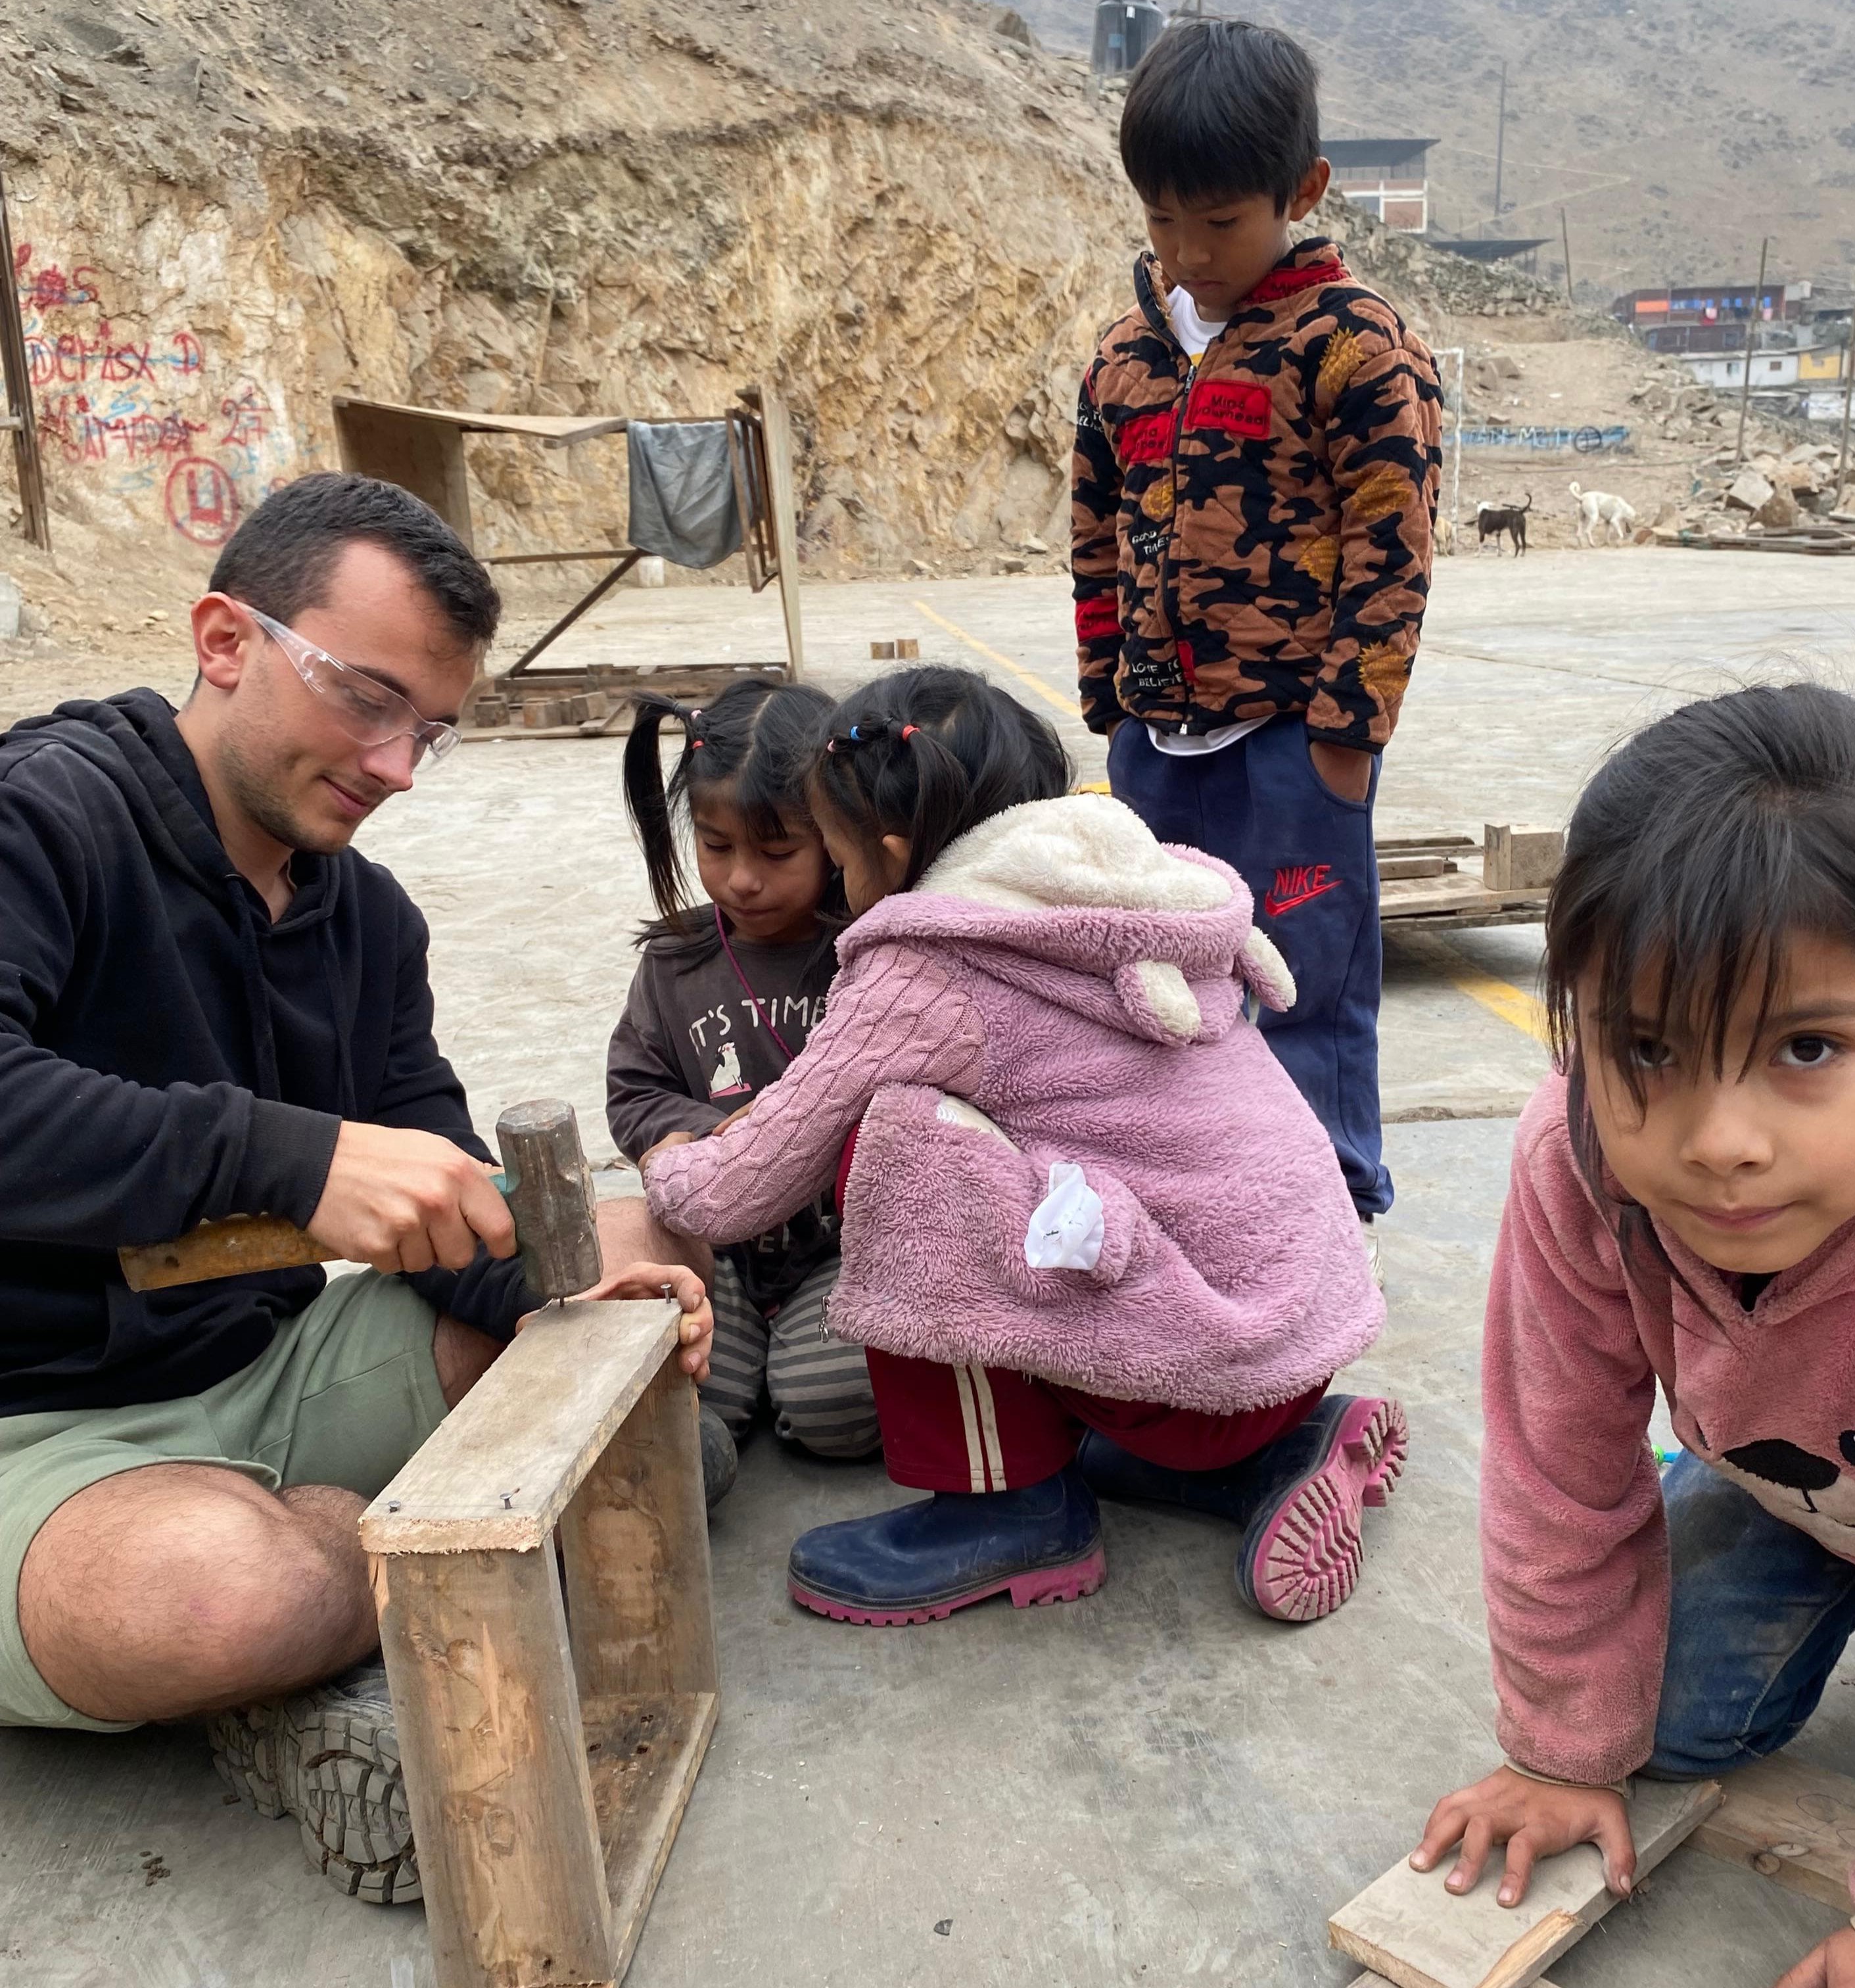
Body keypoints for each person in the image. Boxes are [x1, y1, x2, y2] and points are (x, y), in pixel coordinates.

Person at [0, 473, 710, 1903]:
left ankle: (357, 1599)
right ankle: (355, 1603)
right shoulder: (45, 818)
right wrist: (288, 1158)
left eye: (430, 733)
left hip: (272, 1367)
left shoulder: (365, 917)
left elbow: (436, 1188)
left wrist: (567, 1293)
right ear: (223, 639)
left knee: (643, 1244)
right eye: (367, 700)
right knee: (214, 1597)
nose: (396, 766)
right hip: (39, 1429)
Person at [1412, 685, 1855, 1988]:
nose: (1721, 1143)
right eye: (1653, 1051)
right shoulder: (1580, 1166)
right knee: (1643, 1721)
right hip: (1825, 1491)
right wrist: (1557, 1752)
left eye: (1806, 1047)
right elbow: (1556, 1467)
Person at [643, 666, 1405, 1627]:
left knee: (895, 1144)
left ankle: (1004, 1505)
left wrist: (664, 1170)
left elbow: (739, 1191)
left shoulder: (927, 962)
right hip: (1289, 1346)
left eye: (836, 863)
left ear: (886, 851)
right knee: (1038, 1162)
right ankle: (1277, 1458)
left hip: (1195, 1375)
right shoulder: (1126, 892)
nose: (840, 891)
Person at [1069, 18, 1443, 1277]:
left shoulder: (1351, 346)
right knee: (1166, 972)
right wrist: (1102, 697)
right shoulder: (1122, 358)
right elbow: (1094, 528)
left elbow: (1391, 546)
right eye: (1160, 220)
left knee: (1304, 984)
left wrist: (1346, 734)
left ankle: (1326, 1216)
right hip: (1156, 742)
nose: (1185, 253)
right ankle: (1194, 1191)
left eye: (1217, 223)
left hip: (1294, 741)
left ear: (1303, 193)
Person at [599, 681, 880, 1503]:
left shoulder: (871, 953)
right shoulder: (676, 961)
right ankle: (745, 1374)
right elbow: (634, 1093)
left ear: (835, 835)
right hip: (714, 1251)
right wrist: (711, 1130)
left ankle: (798, 1372)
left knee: (830, 1410)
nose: (743, 880)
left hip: (841, 1250)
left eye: (778, 852)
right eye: (717, 847)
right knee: (694, 1389)